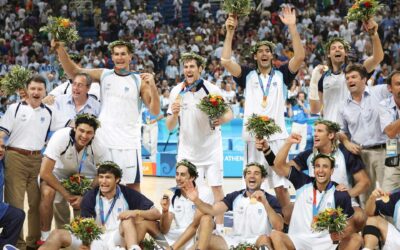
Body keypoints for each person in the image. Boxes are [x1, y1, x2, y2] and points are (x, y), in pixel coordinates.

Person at [221, 5, 305, 214]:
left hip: (276, 138)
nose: (264, 53)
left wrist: (292, 27)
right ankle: (253, 226)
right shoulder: (247, 75)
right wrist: (230, 32)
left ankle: (287, 228)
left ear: (272, 55)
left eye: (268, 50)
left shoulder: (282, 74)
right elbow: (225, 60)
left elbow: (300, 57)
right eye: (260, 51)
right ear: (256, 57)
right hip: (253, 138)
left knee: (281, 188)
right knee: (252, 184)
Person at [53, 39, 160, 192]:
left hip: (129, 145)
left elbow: (155, 111)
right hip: (104, 142)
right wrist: (60, 48)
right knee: (100, 187)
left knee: (133, 189)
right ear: (112, 57)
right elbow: (74, 72)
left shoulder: (139, 81)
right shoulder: (104, 74)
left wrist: (153, 86)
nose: (120, 57)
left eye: (123, 54)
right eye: (116, 54)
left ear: (130, 57)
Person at [166, 52, 233, 233]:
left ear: (200, 69)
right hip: (187, 150)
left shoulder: (211, 90)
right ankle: (187, 225)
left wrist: (221, 120)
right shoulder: (176, 92)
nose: (188, 70)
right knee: (185, 187)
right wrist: (174, 113)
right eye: (186, 67)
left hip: (211, 148)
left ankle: (219, 228)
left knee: (216, 188)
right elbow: (170, 126)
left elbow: (228, 113)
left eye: (192, 66)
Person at [39, 161, 165, 250]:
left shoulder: (128, 193)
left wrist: (135, 212)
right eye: (101, 177)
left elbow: (156, 214)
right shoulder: (90, 196)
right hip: (94, 239)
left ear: (117, 180)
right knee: (56, 234)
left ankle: (136, 248)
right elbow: (85, 227)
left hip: (117, 237)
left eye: (108, 178)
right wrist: (86, 245)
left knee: (129, 220)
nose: (103, 182)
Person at [273, 120, 369, 229]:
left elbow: (364, 182)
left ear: (331, 135)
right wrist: (288, 143)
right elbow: (279, 168)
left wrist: (344, 197)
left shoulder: (345, 153)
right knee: (288, 211)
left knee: (359, 216)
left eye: (319, 131)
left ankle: (342, 243)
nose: (315, 134)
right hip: (313, 200)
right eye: (314, 131)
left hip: (341, 200)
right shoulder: (309, 154)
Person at [0, 75, 55, 249]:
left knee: (36, 203)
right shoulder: (14, 109)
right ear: (26, 90)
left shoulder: (49, 112)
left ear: (45, 91)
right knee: (15, 202)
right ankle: (18, 244)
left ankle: (33, 242)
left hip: (38, 158)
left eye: (40, 89)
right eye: (33, 88)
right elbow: (2, 133)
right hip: (15, 156)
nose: (36, 92)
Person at [38, 114, 110, 243]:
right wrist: (66, 194)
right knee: (48, 192)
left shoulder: (100, 144)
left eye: (89, 132)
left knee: (88, 202)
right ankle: (45, 238)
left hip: (84, 177)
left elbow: (104, 173)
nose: (84, 136)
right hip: (57, 174)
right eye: (81, 130)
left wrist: (86, 194)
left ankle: (82, 240)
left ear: (94, 134)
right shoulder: (60, 137)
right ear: (75, 128)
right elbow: (44, 172)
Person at [270, 154, 362, 250]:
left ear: (332, 171)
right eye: (317, 166)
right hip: (299, 240)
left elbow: (349, 226)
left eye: (325, 166)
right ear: (314, 170)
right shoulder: (302, 182)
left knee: (356, 239)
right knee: (275, 235)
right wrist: (289, 142)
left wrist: (340, 234)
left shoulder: (340, 194)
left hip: (327, 242)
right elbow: (278, 165)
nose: (321, 170)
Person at [183, 162, 283, 249]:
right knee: (208, 240)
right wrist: (196, 200)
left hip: (257, 241)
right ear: (245, 178)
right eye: (248, 173)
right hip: (235, 242)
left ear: (263, 179)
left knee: (265, 239)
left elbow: (279, 226)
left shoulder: (270, 200)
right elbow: (213, 210)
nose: (252, 176)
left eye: (256, 173)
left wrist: (265, 203)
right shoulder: (235, 196)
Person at [309, 17, 384, 122]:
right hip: (331, 131)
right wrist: (314, 81)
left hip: (353, 132)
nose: (337, 50)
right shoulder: (323, 76)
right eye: (333, 48)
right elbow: (314, 109)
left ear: (345, 53)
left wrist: (374, 35)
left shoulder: (356, 70)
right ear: (329, 55)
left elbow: (378, 58)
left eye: (340, 47)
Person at [338, 64, 390, 200]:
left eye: (354, 77)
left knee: (391, 194)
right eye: (347, 78)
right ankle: (369, 222)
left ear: (364, 79)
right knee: (365, 198)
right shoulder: (343, 105)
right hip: (360, 155)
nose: (350, 80)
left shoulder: (380, 91)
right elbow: (341, 131)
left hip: (386, 149)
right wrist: (346, 142)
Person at [160, 159, 219, 249]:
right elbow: (164, 230)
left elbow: (195, 226)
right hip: (179, 236)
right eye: (177, 174)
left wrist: (172, 248)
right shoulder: (173, 195)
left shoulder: (205, 193)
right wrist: (165, 211)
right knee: (147, 222)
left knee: (207, 219)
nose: (178, 178)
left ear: (192, 177)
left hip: (198, 236)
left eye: (182, 175)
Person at [0, 137, 25, 248]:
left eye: (3, 147)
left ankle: (4, 246)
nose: (1, 149)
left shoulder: (2, 162)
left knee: (17, 216)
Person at [379, 70, 400, 192]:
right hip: (392, 149)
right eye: (398, 84)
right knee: (386, 193)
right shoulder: (384, 105)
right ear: (389, 88)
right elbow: (391, 132)